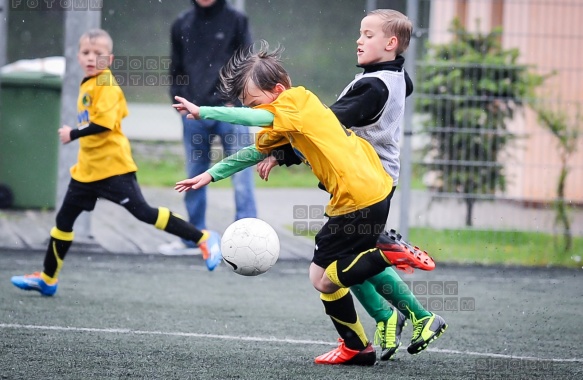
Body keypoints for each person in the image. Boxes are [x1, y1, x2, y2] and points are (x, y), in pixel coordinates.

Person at [172, 40, 433, 366]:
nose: (254, 112)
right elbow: (254, 151)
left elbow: (244, 118)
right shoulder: (289, 114)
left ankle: (382, 261)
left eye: (256, 104)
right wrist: (210, 175)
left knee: (323, 277)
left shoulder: (294, 100)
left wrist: (203, 110)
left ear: (279, 89)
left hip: (356, 195)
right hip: (369, 190)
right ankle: (363, 337)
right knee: (328, 273)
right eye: (251, 106)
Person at [259, 9, 446, 360]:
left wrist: (281, 152)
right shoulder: (393, 77)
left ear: (391, 44)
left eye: (369, 35)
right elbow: (399, 89)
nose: (359, 40)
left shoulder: (372, 86)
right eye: (360, 33)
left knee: (331, 268)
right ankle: (400, 317)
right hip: (373, 181)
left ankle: (409, 318)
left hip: (366, 184)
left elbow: (323, 126)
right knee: (347, 260)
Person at [10, 29, 222, 297]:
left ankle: (203, 237)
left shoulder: (105, 85)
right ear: (77, 56)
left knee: (144, 213)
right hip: (87, 171)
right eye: (86, 53)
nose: (90, 58)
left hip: (113, 169)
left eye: (98, 54)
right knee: (63, 221)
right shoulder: (88, 83)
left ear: (108, 60)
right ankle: (47, 278)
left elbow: (103, 124)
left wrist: (72, 133)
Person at [160, 0, 257, 255]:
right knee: (194, 174)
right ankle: (194, 238)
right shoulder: (181, 23)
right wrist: (180, 101)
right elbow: (176, 69)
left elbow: (248, 65)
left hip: (231, 113)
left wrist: (236, 102)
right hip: (194, 115)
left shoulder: (237, 20)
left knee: (242, 177)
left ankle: (247, 241)